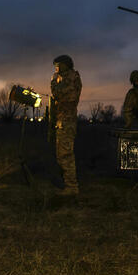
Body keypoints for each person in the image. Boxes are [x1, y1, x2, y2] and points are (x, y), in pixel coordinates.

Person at [49, 54, 83, 195]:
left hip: (67, 121)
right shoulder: (63, 78)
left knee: (65, 155)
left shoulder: (72, 77)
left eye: (58, 64)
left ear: (65, 65)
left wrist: (54, 84)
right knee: (60, 154)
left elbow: (63, 95)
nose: (56, 67)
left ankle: (72, 187)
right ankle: (66, 184)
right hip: (61, 120)